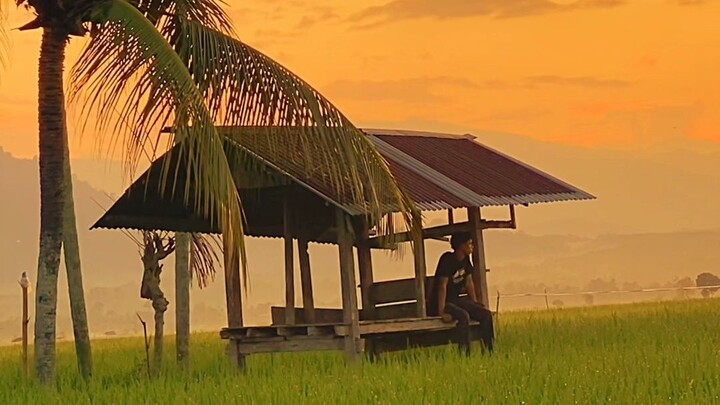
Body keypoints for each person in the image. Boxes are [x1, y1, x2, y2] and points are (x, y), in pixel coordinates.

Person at [427, 231, 494, 355]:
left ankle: (489, 352)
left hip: (456, 301)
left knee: (486, 315)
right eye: (469, 243)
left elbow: (469, 283)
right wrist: (441, 311)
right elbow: (442, 286)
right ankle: (465, 353)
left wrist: (474, 303)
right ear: (461, 246)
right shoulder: (447, 259)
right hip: (444, 303)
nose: (472, 246)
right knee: (463, 316)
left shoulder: (466, 261)